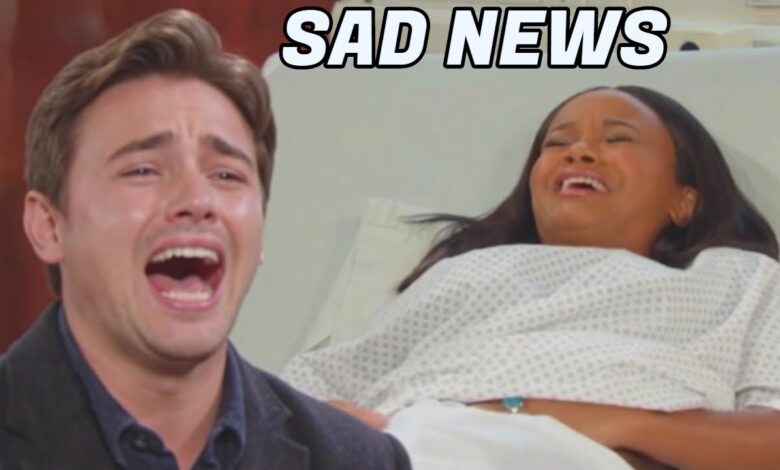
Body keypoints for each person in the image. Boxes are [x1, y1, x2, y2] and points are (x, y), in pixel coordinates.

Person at [283, 86, 780, 470]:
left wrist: (620, 424)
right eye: (558, 142)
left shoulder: (738, 278)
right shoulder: (463, 273)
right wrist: (336, 426)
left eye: (618, 138)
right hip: (409, 443)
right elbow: (312, 388)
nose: (579, 151)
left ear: (684, 201)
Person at [0, 10, 411, 470]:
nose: (197, 200)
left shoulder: (357, 460)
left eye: (227, 175)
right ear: (49, 227)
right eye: (143, 170)